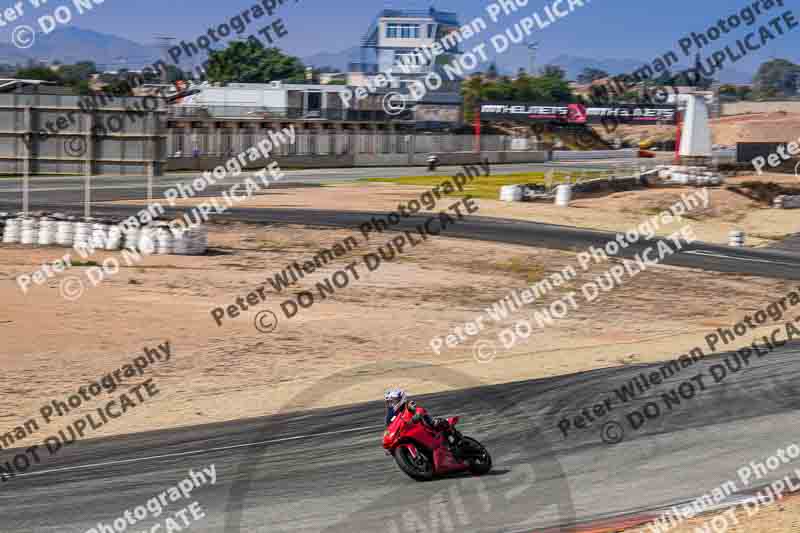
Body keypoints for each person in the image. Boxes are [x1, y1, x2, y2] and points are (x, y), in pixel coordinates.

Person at [384, 388, 457, 448]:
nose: (392, 404)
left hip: (419, 426)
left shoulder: (407, 405)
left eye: (394, 400)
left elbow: (419, 409)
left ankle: (436, 425)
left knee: (436, 424)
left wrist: (417, 415)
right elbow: (390, 429)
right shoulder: (389, 418)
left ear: (401, 398)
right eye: (389, 402)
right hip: (405, 434)